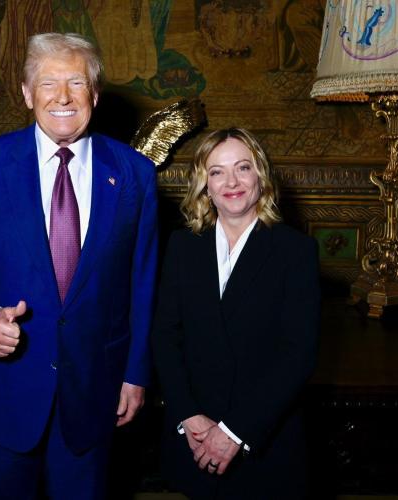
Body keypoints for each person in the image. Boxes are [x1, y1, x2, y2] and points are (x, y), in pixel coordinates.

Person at [0, 32, 158, 500]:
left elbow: (143, 281)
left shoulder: (135, 173)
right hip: (4, 391)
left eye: (76, 82)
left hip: (94, 390)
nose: (63, 97)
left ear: (95, 94)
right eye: (48, 83)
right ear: (27, 93)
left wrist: (135, 373)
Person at [151, 127, 320, 499]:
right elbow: (164, 337)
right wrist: (188, 415)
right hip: (195, 435)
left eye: (243, 168)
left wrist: (234, 432)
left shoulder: (296, 251)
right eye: (217, 172)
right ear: (205, 185)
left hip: (264, 442)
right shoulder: (182, 246)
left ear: (261, 176)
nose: (231, 182)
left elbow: (298, 355)